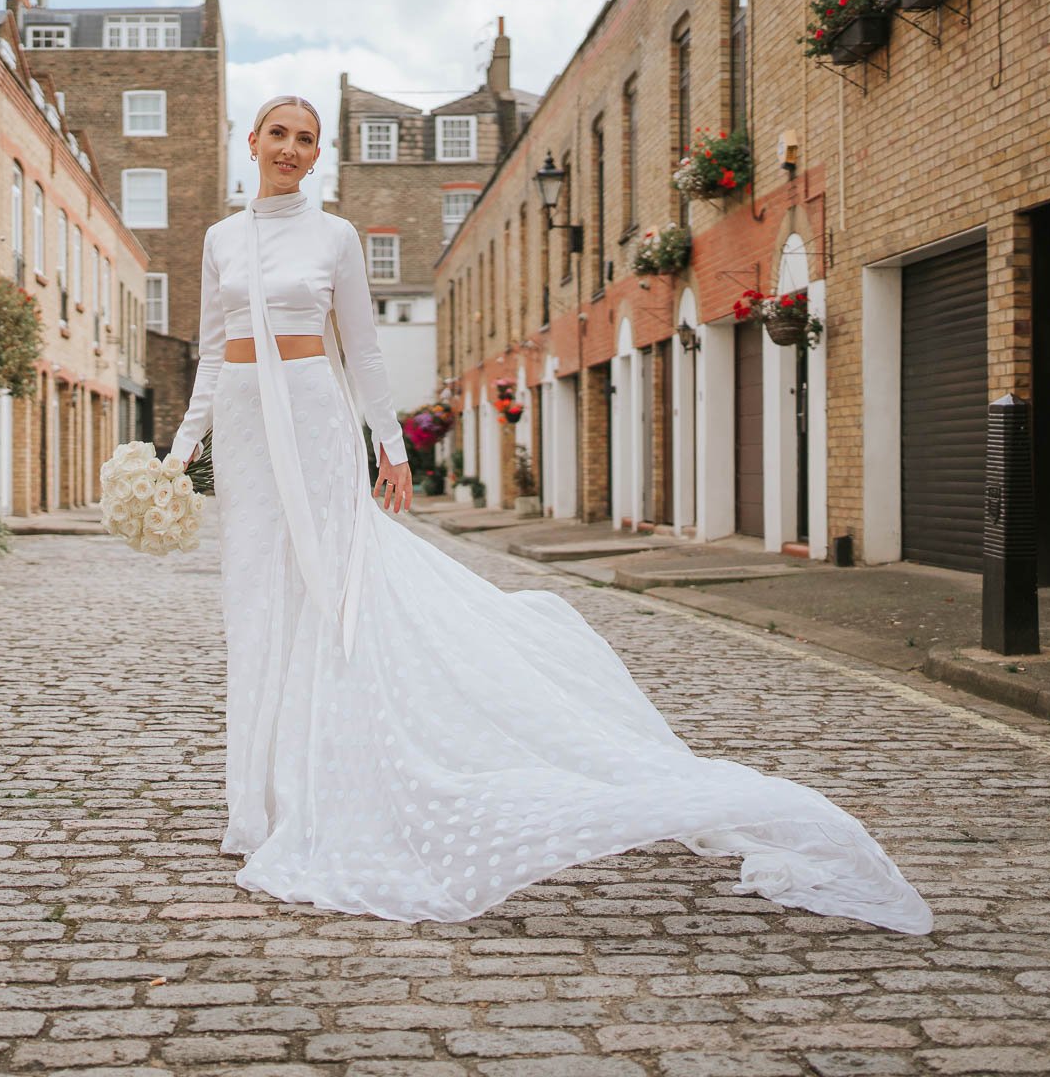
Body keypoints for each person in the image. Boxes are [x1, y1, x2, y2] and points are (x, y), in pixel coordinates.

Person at [164, 93, 932, 933]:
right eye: (278, 132)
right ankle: (257, 806)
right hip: (242, 424)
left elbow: (364, 347)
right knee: (253, 603)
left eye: (306, 138)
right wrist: (178, 451)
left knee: (326, 596)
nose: (290, 147)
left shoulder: (336, 237)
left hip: (312, 418)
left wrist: (391, 447)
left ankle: (317, 788)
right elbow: (209, 352)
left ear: (318, 156)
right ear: (253, 140)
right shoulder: (220, 240)